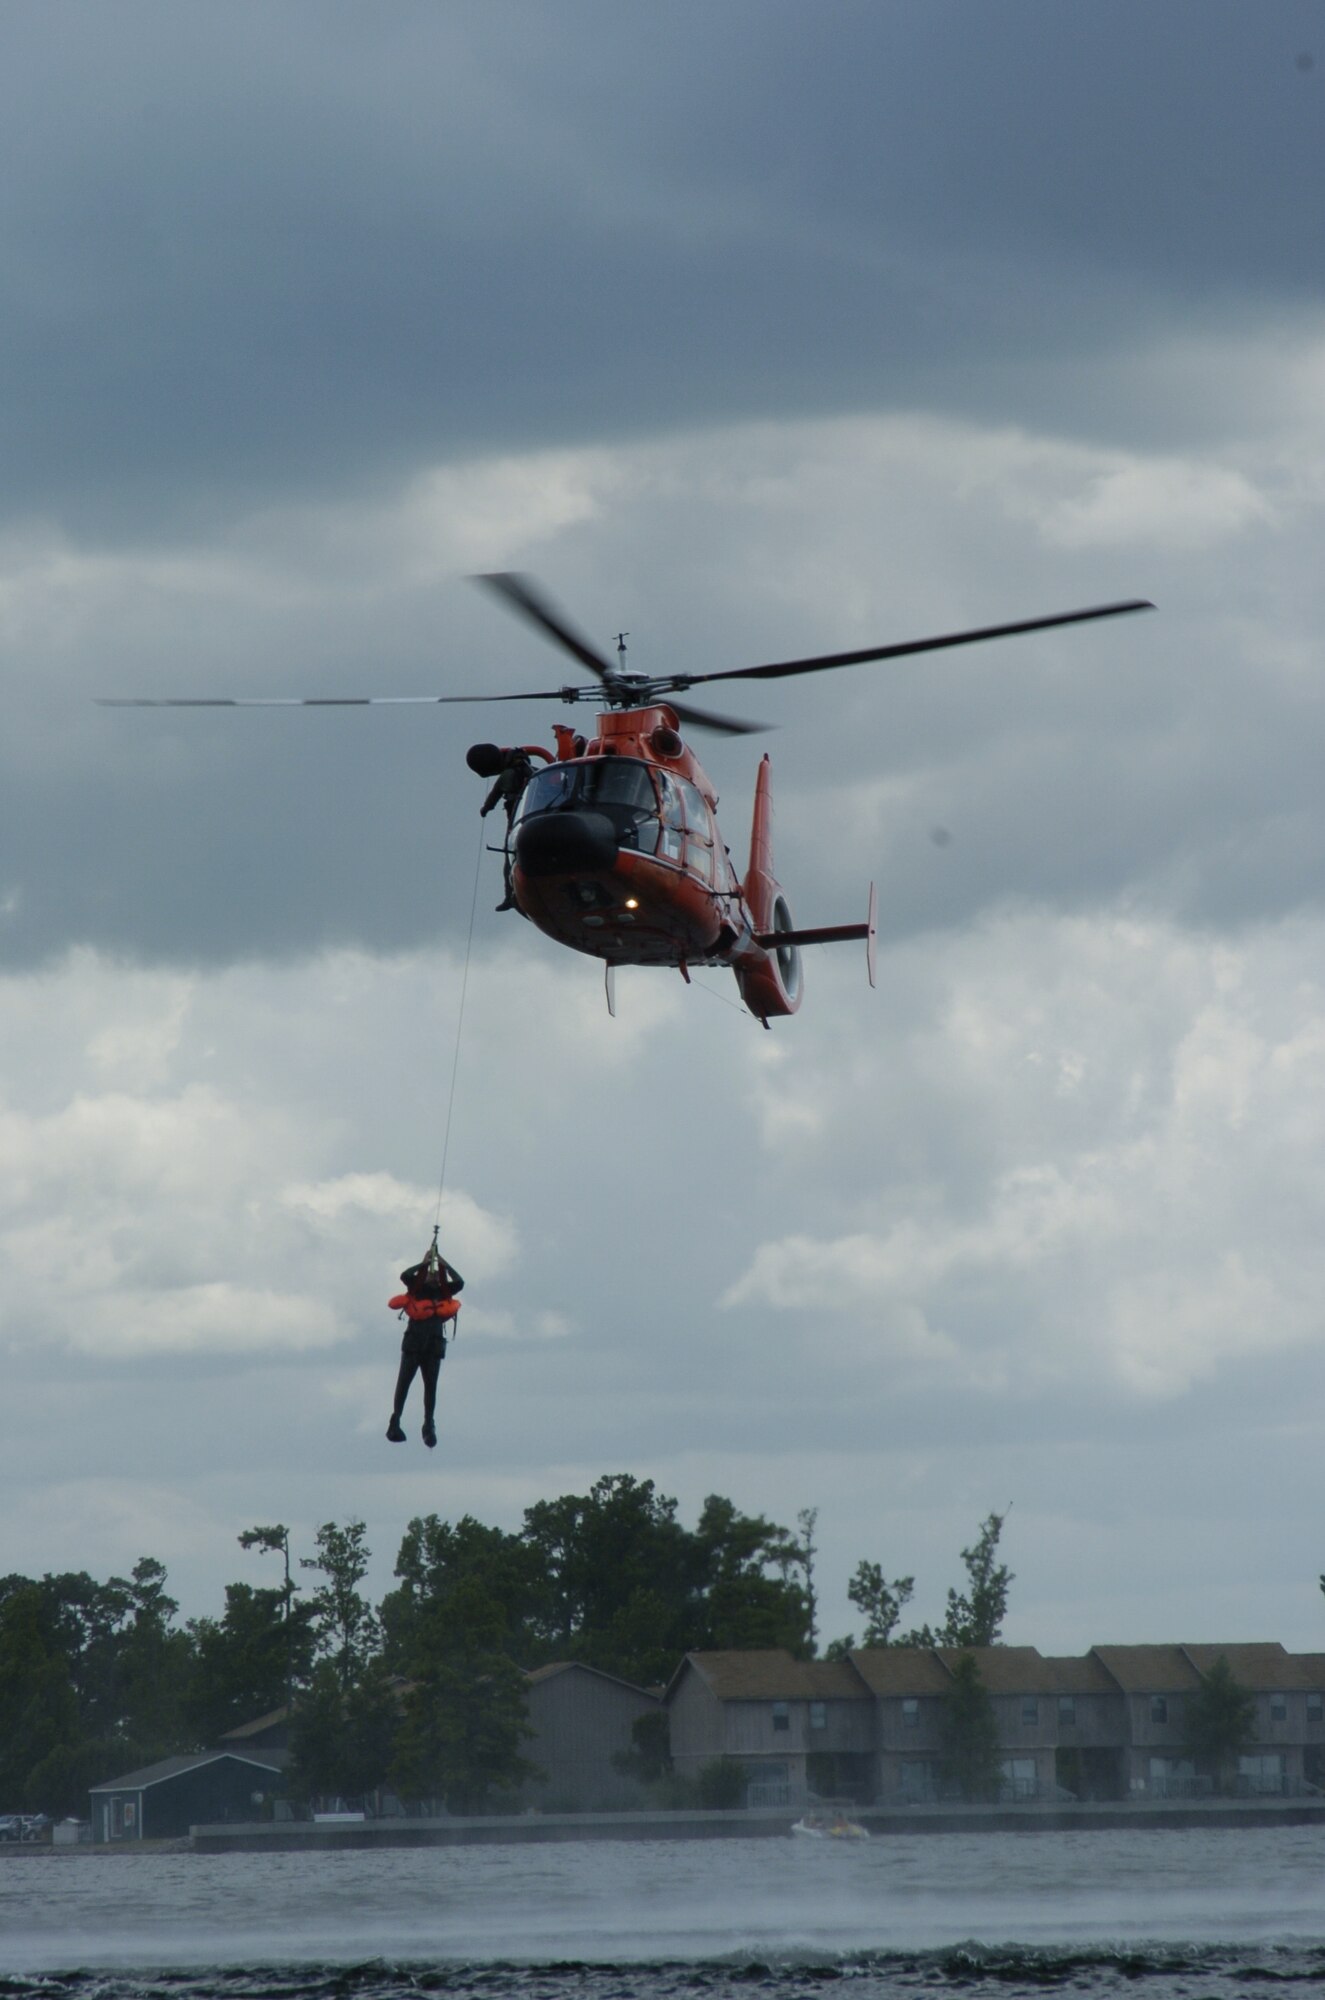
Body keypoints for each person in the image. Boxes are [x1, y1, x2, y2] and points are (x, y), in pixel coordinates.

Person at [386, 1245, 464, 1448]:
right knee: (403, 1383)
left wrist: (443, 1262)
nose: (432, 1276)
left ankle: (429, 1424)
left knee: (431, 1387)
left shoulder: (443, 1290)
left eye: (436, 1274)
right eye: (430, 1273)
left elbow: (460, 1282)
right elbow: (404, 1275)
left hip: (434, 1346)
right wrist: (425, 1262)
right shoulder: (416, 1287)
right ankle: (395, 1421)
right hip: (413, 1344)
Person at [468, 743, 536, 910]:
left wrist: (485, 809)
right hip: (531, 817)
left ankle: (510, 895)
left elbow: (495, 795)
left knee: (510, 856)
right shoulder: (533, 773)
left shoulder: (507, 775)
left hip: (517, 818)